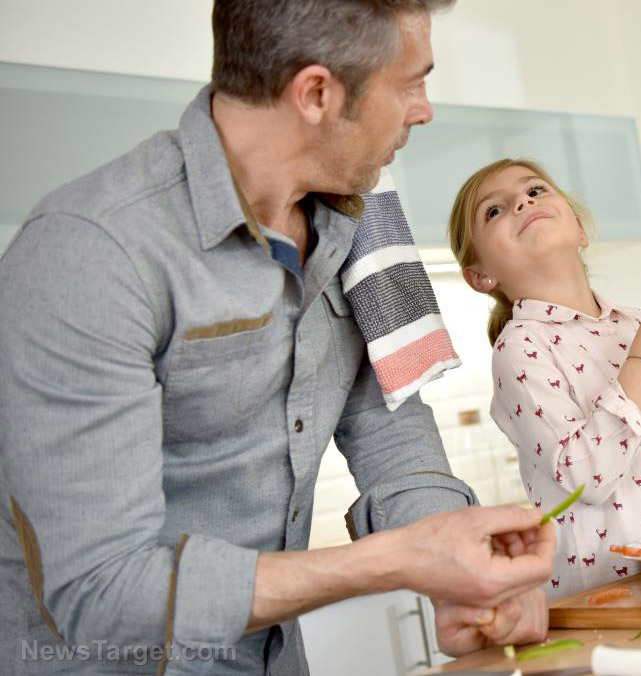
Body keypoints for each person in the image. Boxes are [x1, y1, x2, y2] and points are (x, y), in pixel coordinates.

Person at [0, 1, 553, 674]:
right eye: (410, 83)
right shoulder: (91, 252)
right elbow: (101, 591)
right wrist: (392, 560)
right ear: (316, 93)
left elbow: (389, 428)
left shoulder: (364, 219)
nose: (424, 110)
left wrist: (464, 571)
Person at [447, 159, 641, 598]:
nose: (523, 202)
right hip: (612, 596)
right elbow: (587, 477)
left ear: (580, 231)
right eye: (495, 210)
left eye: (535, 190)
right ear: (481, 276)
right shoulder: (520, 348)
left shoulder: (637, 324)